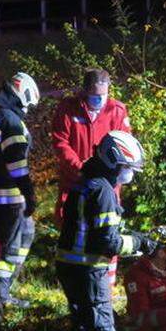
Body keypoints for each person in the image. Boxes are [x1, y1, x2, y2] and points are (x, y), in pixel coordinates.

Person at [55, 131, 158, 331]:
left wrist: (134, 235)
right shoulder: (103, 190)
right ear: (115, 162)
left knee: (81, 322)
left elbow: (97, 228)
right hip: (88, 268)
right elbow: (107, 242)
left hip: (69, 264)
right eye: (128, 168)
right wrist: (140, 243)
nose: (130, 175)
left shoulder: (88, 180)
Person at [50, 68, 132, 289]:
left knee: (108, 227)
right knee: (71, 225)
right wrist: (79, 168)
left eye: (103, 95)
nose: (99, 100)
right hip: (75, 180)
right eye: (95, 95)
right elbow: (60, 142)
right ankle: (74, 278)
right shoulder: (68, 109)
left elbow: (124, 143)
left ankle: (107, 284)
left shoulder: (116, 111)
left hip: (107, 184)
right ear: (84, 91)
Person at [0, 72, 40, 309]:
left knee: (22, 239)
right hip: (11, 198)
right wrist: (29, 194)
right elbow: (18, 167)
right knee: (8, 248)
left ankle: (1, 291)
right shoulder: (12, 122)